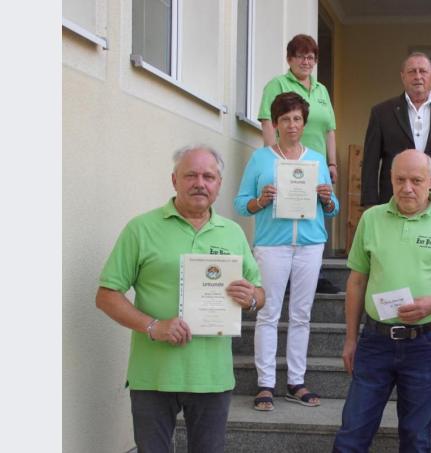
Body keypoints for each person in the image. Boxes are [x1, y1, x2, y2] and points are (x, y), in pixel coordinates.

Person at [96, 145, 265, 453]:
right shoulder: (141, 229)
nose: (199, 182)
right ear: (174, 180)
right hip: (153, 374)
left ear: (218, 185)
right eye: (191, 175)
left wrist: (251, 298)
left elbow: (259, 292)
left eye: (208, 176)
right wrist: (153, 326)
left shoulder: (233, 233)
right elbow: (107, 295)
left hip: (212, 375)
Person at [333, 150, 431, 452]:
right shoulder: (371, 218)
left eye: (416, 180)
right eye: (400, 179)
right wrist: (350, 338)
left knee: (416, 437)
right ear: (390, 178)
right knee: (352, 433)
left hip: (425, 343)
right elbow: (357, 281)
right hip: (375, 340)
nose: (407, 187)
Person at [235, 92, 340, 412]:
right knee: (268, 313)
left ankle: (296, 382)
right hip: (272, 244)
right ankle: (265, 383)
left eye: (297, 119)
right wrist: (260, 201)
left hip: (310, 244)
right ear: (276, 124)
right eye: (285, 119)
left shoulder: (316, 160)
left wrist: (326, 199)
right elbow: (241, 204)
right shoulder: (261, 158)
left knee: (302, 314)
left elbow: (332, 209)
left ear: (304, 123)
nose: (292, 125)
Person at [257, 33, 341, 294]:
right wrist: (274, 158)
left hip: (315, 164)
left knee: (317, 210)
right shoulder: (277, 85)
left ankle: (314, 274)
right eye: (301, 56)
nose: (307, 61)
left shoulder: (321, 90)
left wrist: (332, 163)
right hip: (286, 162)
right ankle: (284, 274)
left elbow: (330, 129)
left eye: (311, 57)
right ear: (289, 59)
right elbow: (267, 121)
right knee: (287, 210)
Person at [360, 52, 431, 217]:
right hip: (394, 200)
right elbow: (370, 162)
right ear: (403, 77)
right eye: (412, 71)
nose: (418, 76)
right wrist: (370, 203)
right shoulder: (382, 113)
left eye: (423, 71)